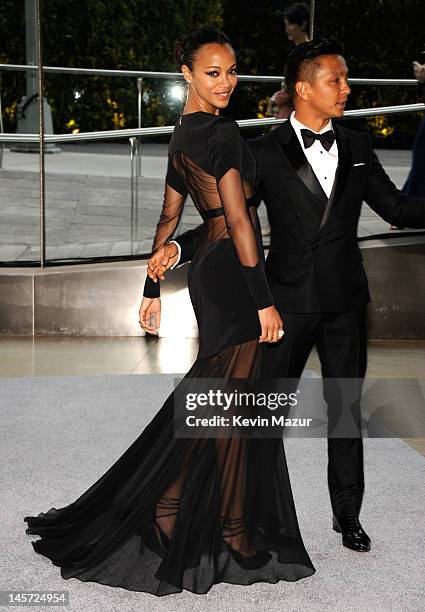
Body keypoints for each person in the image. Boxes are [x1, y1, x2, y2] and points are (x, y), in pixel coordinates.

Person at [24, 27, 315, 597]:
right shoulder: (224, 132)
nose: (226, 82)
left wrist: (152, 285)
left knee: (220, 400)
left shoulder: (184, 131)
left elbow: (168, 215)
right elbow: (237, 222)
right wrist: (264, 301)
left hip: (209, 269)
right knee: (228, 404)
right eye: (213, 72)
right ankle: (230, 528)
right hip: (234, 275)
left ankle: (172, 501)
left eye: (232, 71)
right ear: (186, 73)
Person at [153, 37, 425, 555]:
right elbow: (233, 219)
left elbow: (398, 210)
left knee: (344, 412)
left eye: (346, 80)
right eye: (335, 80)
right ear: (303, 88)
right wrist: (181, 249)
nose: (346, 90)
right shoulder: (262, 149)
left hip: (346, 301)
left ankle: (348, 516)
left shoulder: (359, 146)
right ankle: (246, 514)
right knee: (260, 415)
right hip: (286, 303)